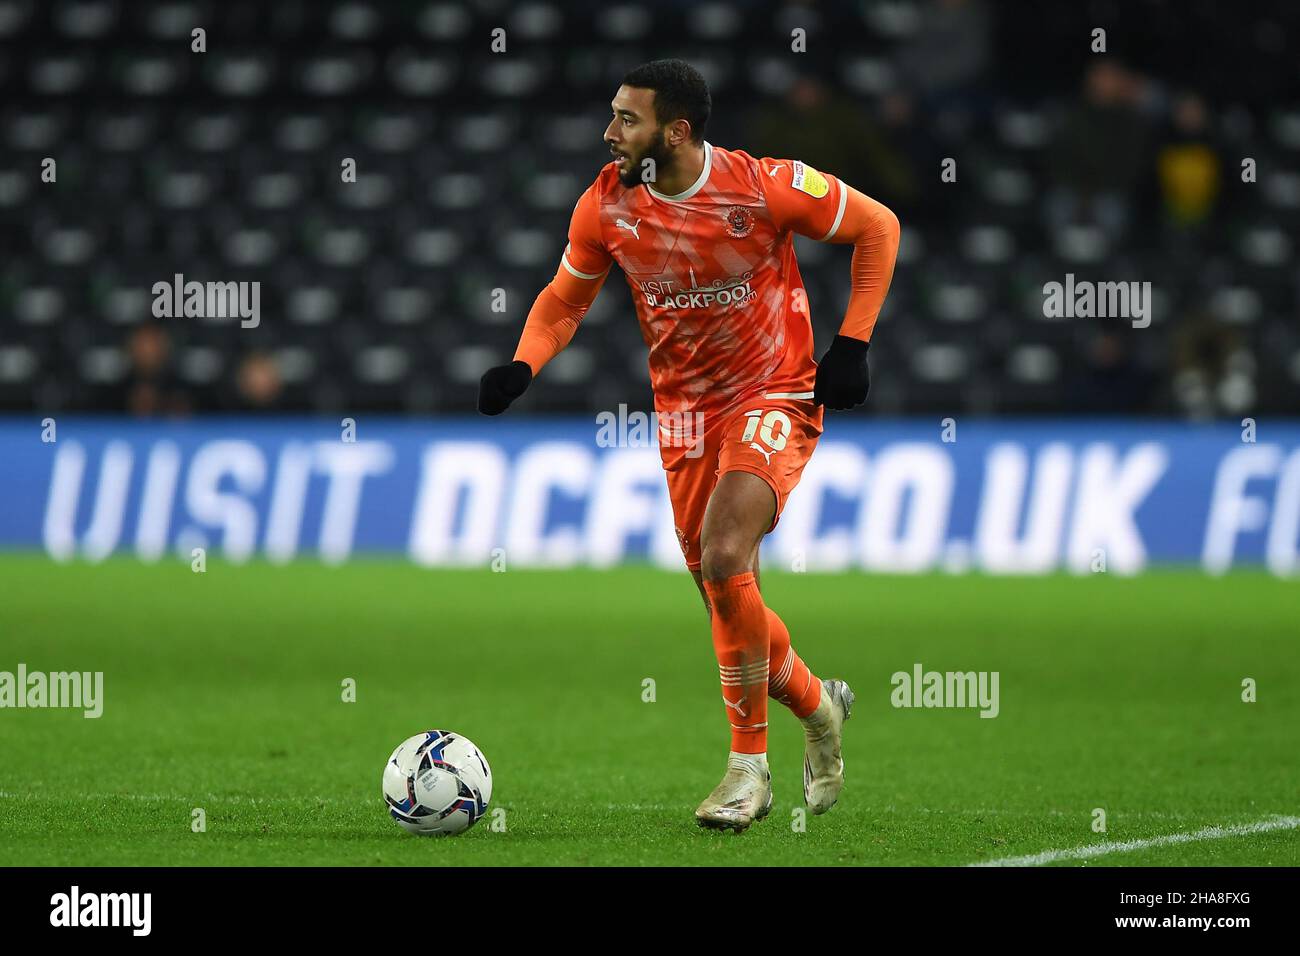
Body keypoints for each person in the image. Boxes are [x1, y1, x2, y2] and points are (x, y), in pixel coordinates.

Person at [478, 59, 901, 832]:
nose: (609, 132)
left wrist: (853, 344)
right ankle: (819, 705)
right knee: (726, 596)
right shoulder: (606, 206)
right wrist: (521, 364)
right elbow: (563, 301)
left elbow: (878, 226)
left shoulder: (761, 186)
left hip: (774, 392)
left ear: (675, 131)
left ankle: (747, 772)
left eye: (626, 119)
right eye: (612, 115)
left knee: (725, 556)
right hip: (682, 417)